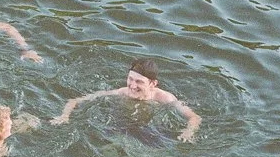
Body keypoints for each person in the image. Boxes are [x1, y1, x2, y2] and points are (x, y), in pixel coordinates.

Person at [51, 57, 200, 142]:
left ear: (153, 84)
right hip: (121, 125)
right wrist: (64, 116)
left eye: (139, 82)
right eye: (130, 79)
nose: (132, 86)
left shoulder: (165, 98)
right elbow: (76, 100)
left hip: (152, 129)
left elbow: (194, 117)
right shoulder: (121, 92)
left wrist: (188, 131)